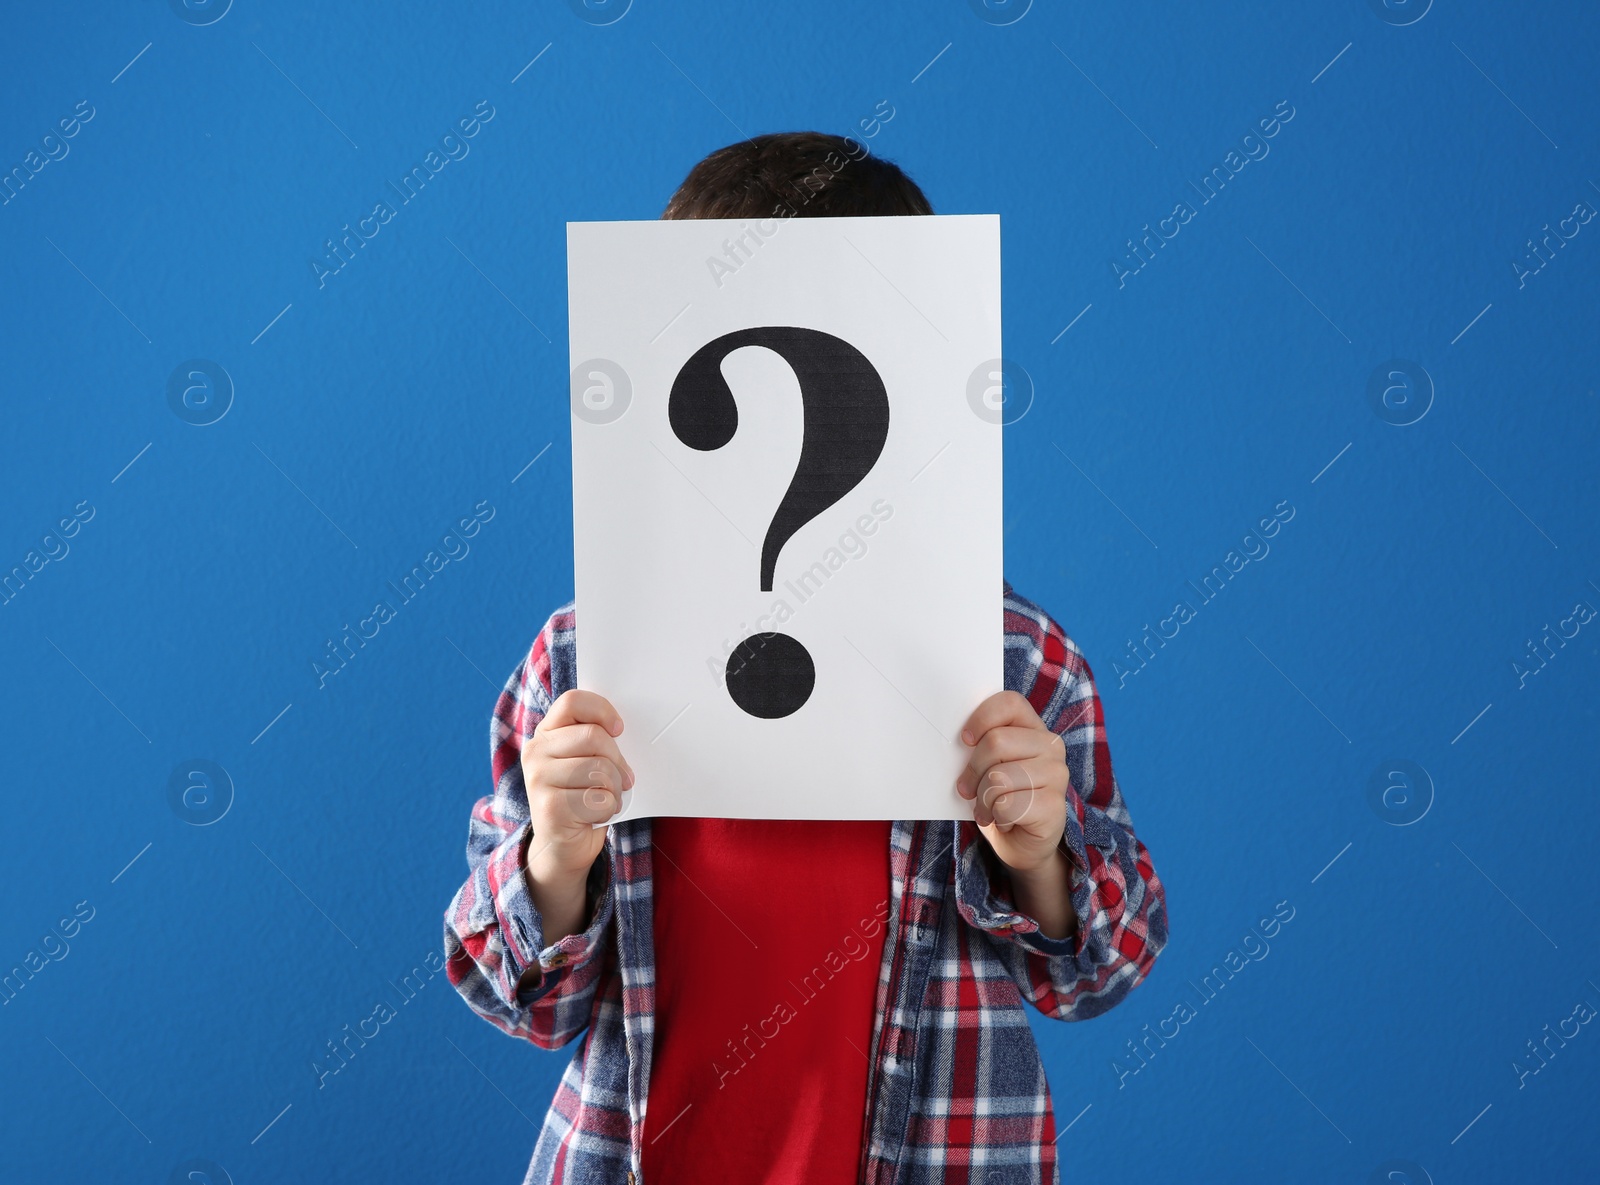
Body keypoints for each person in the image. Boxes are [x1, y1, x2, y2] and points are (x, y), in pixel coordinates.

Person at [443, 132, 1168, 1185]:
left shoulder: (1017, 662)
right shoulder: (580, 662)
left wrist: (1043, 856)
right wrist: (554, 858)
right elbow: (513, 994)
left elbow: (1108, 968)